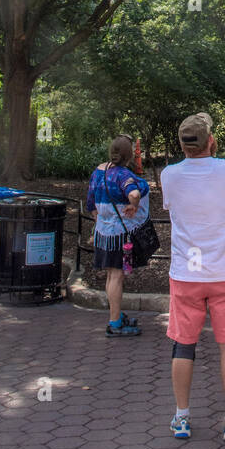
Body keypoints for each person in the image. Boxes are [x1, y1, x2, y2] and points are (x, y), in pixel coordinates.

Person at [160, 112, 225, 443]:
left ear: (181, 144)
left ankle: (182, 416)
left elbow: (173, 206)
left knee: (183, 344)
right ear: (211, 140)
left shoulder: (169, 175)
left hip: (186, 273)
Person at [86, 134, 151, 337]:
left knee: (110, 275)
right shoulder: (123, 175)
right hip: (118, 235)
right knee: (117, 275)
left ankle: (115, 314)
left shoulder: (99, 170)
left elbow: (90, 200)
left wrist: (97, 216)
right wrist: (134, 205)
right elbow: (133, 193)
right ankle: (114, 323)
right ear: (128, 155)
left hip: (103, 233)